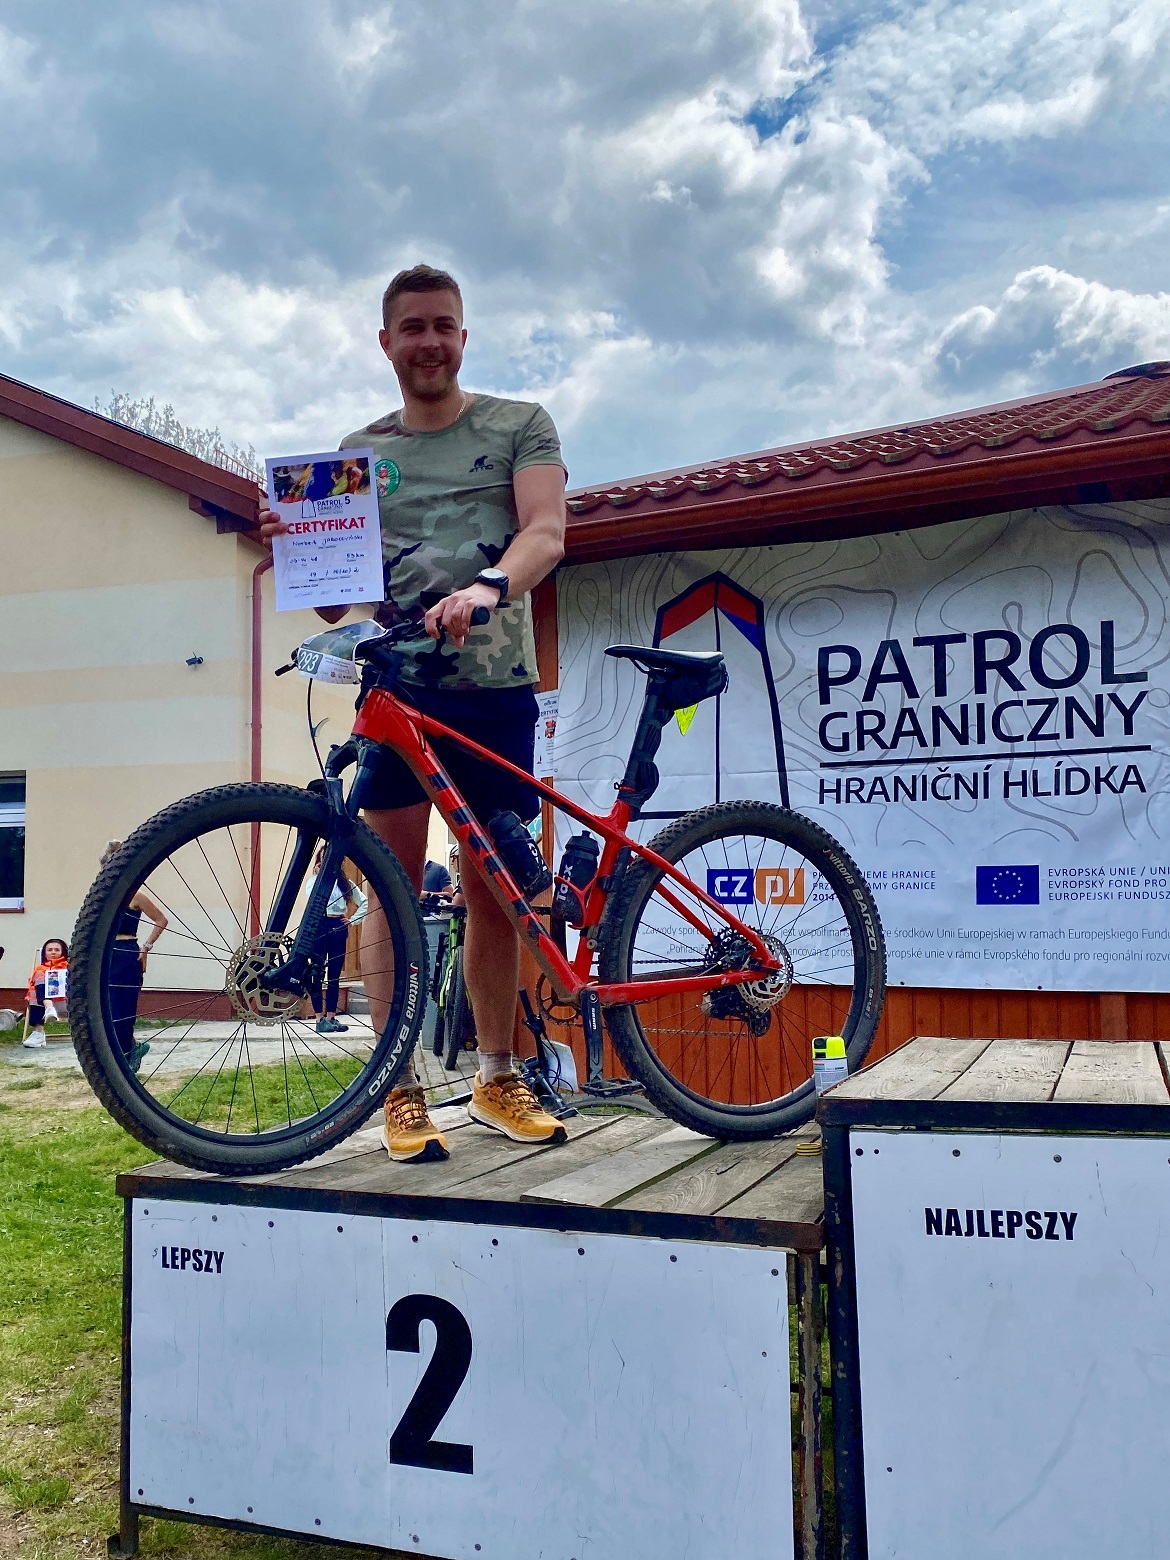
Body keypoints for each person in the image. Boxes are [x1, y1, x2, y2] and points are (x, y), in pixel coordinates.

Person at [260, 264, 567, 1164]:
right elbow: (339, 602)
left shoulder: (520, 424)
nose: (429, 342)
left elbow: (546, 531)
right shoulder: (357, 453)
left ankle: (498, 1074)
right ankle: (398, 1088)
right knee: (389, 892)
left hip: (495, 690)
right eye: (413, 328)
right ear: (386, 342)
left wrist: (487, 586)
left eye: (443, 326)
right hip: (395, 689)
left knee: (492, 890)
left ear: (463, 337)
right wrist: (297, 551)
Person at [101, 841, 168, 1074]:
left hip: (126, 952)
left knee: (123, 1008)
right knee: (106, 1008)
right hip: (105, 954)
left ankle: (125, 1059)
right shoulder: (102, 895)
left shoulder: (136, 896)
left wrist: (146, 947)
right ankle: (124, 1052)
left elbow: (161, 920)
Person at [308, 848, 365, 1034]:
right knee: (316, 972)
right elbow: (312, 899)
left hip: (338, 925)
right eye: (323, 858)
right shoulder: (313, 882)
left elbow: (364, 902)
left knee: (334, 975)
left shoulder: (345, 883)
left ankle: (331, 1017)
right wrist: (320, 876)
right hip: (319, 925)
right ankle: (319, 1018)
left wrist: (353, 920)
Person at [23, 939, 69, 1047]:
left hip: (67, 1002)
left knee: (51, 976)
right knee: (37, 982)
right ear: (44, 953)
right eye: (50, 950)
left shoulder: (70, 967)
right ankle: (39, 1033)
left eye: (57, 950)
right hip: (43, 1004)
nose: (53, 952)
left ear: (63, 952)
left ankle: (49, 1009)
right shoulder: (40, 969)